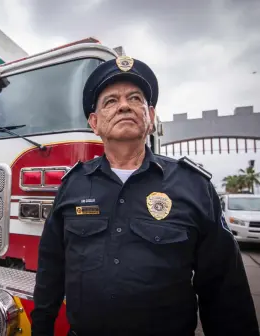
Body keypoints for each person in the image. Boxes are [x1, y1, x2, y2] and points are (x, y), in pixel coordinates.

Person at [31, 55, 259, 336]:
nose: (124, 105)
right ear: (94, 122)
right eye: (110, 101)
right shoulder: (72, 185)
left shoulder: (194, 186)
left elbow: (225, 289)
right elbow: (51, 269)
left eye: (135, 98)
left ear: (150, 116)